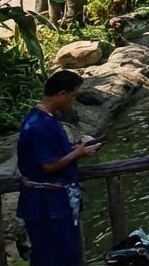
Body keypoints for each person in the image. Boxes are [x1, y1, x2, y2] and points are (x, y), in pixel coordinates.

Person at [17, 70, 99, 266]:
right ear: (62, 93)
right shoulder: (39, 125)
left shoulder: (43, 118)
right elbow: (48, 165)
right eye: (73, 96)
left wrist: (74, 148)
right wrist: (77, 154)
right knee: (55, 256)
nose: (73, 101)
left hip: (53, 203)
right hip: (47, 205)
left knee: (65, 253)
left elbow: (51, 153)